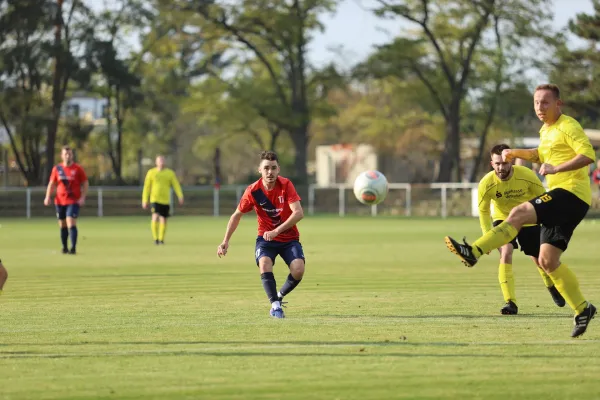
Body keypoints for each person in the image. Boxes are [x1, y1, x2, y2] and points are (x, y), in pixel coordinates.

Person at [445, 84, 596, 337]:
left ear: (559, 104)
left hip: (571, 194)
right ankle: (583, 308)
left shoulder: (568, 126)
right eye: (536, 102)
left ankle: (474, 251)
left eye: (546, 102)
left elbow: (588, 154)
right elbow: (540, 154)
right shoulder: (546, 130)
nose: (540, 107)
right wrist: (515, 152)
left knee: (516, 214)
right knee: (548, 261)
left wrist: (556, 170)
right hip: (564, 201)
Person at [477, 143, 565, 315]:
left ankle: (551, 286)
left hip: (528, 218)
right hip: (503, 220)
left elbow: (544, 199)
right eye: (497, 164)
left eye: (504, 163)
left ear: (511, 161)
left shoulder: (526, 175)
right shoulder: (486, 183)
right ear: (491, 163)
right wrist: (487, 237)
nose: (501, 168)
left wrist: (549, 224)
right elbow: (483, 211)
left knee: (539, 259)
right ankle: (510, 302)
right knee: (506, 251)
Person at [217, 151, 305, 319]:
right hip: (265, 239)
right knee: (264, 264)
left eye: (273, 168)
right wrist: (225, 241)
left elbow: (298, 213)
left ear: (278, 169)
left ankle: (279, 295)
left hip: (289, 238)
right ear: (260, 170)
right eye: (266, 168)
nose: (270, 172)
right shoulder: (253, 191)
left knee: (298, 270)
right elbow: (236, 215)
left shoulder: (286, 185)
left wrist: (277, 231)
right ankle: (275, 306)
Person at [44, 146, 89, 254]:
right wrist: (47, 196)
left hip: (73, 201)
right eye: (66, 154)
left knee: (71, 222)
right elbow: (52, 184)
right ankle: (64, 247)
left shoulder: (78, 169)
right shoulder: (57, 169)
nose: (68, 156)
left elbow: (85, 183)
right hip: (60, 201)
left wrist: (83, 197)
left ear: (72, 155)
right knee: (62, 224)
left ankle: (73, 248)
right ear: (62, 156)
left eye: (70, 154)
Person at [142, 155, 184, 245]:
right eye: (159, 160)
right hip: (154, 199)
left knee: (163, 219)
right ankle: (155, 238)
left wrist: (180, 195)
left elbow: (176, 185)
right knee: (155, 216)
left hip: (165, 200)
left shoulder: (170, 173)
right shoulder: (151, 173)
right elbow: (147, 187)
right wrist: (145, 199)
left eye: (162, 160)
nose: (161, 162)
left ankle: (161, 239)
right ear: (156, 162)